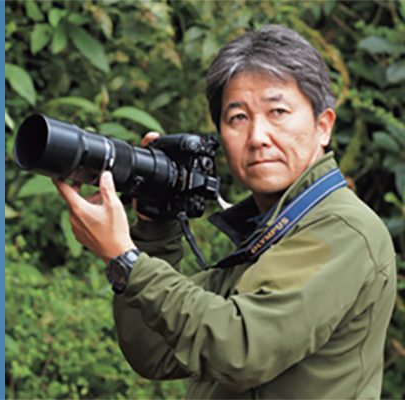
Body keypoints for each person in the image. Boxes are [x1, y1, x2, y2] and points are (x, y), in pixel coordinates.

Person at [54, 25, 396, 398]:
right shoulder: (269, 233)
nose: (258, 136)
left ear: (323, 126)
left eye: (278, 111)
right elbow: (153, 352)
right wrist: (155, 228)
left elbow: (238, 349)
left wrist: (125, 259)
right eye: (238, 118)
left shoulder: (341, 229)